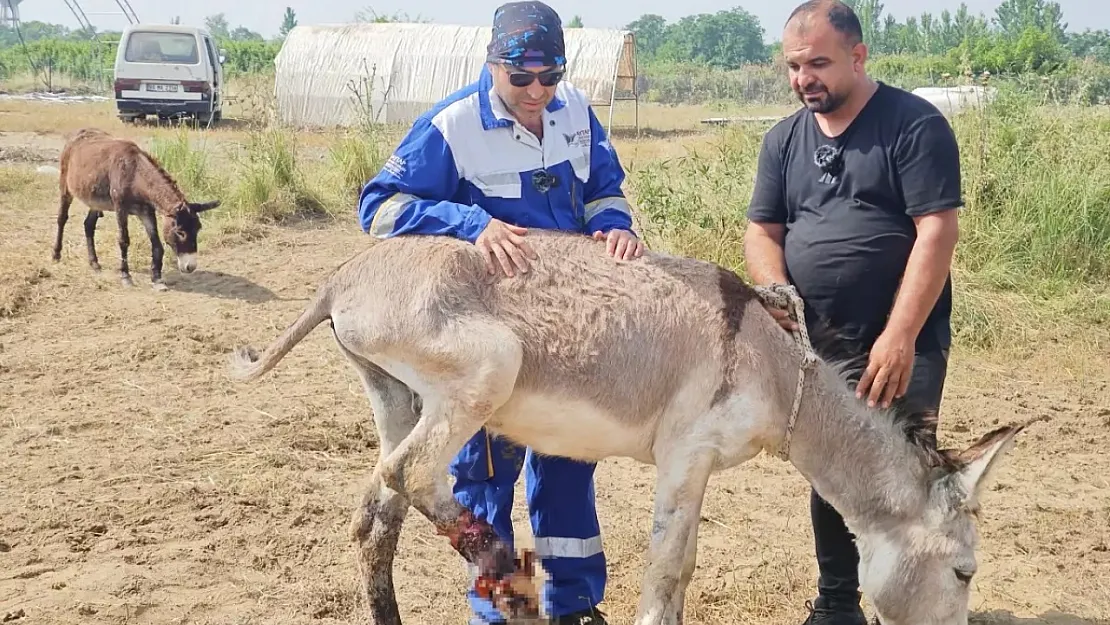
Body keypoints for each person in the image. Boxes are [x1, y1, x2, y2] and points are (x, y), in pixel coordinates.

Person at [357, 2, 642, 623]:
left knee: (569, 467)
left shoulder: (577, 115)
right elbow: (378, 210)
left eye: (551, 76)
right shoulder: (452, 125)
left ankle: (570, 607)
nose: (538, 91)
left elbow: (605, 190)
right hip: (486, 339)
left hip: (568, 335)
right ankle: (507, 611)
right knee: (484, 486)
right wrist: (470, 223)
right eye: (521, 77)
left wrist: (616, 227)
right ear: (492, 65)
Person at [742, 1, 962, 624]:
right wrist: (779, 296)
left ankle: (915, 602)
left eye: (819, 63)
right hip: (819, 344)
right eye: (793, 65)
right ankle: (838, 603)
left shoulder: (914, 125)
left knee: (903, 473)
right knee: (831, 469)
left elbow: (935, 232)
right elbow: (762, 232)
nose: (803, 77)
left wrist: (900, 335)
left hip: (901, 341)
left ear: (858, 57)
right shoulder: (784, 139)